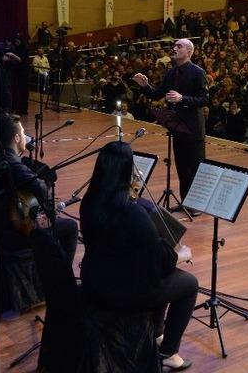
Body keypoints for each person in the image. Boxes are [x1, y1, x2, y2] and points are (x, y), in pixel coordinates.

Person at [79, 141, 197, 371]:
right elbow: (160, 261)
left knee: (159, 275)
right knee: (189, 283)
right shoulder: (131, 212)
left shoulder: (90, 201)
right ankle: (168, 351)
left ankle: (157, 334)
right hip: (121, 293)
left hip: (94, 281)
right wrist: (181, 255)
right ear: (127, 170)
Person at [0, 113, 78, 262]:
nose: (25, 136)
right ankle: (63, 276)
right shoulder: (13, 165)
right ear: (16, 138)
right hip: (13, 234)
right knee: (70, 227)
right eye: (23, 133)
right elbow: (41, 189)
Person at [133, 38, 209, 201]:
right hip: (177, 127)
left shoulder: (198, 72)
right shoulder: (171, 72)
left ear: (189, 52)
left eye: (179, 46)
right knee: (182, 168)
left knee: (195, 168)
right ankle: (185, 202)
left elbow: (204, 99)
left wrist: (182, 98)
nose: (174, 48)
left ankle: (196, 204)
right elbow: (157, 94)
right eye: (174, 46)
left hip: (193, 129)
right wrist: (145, 85)